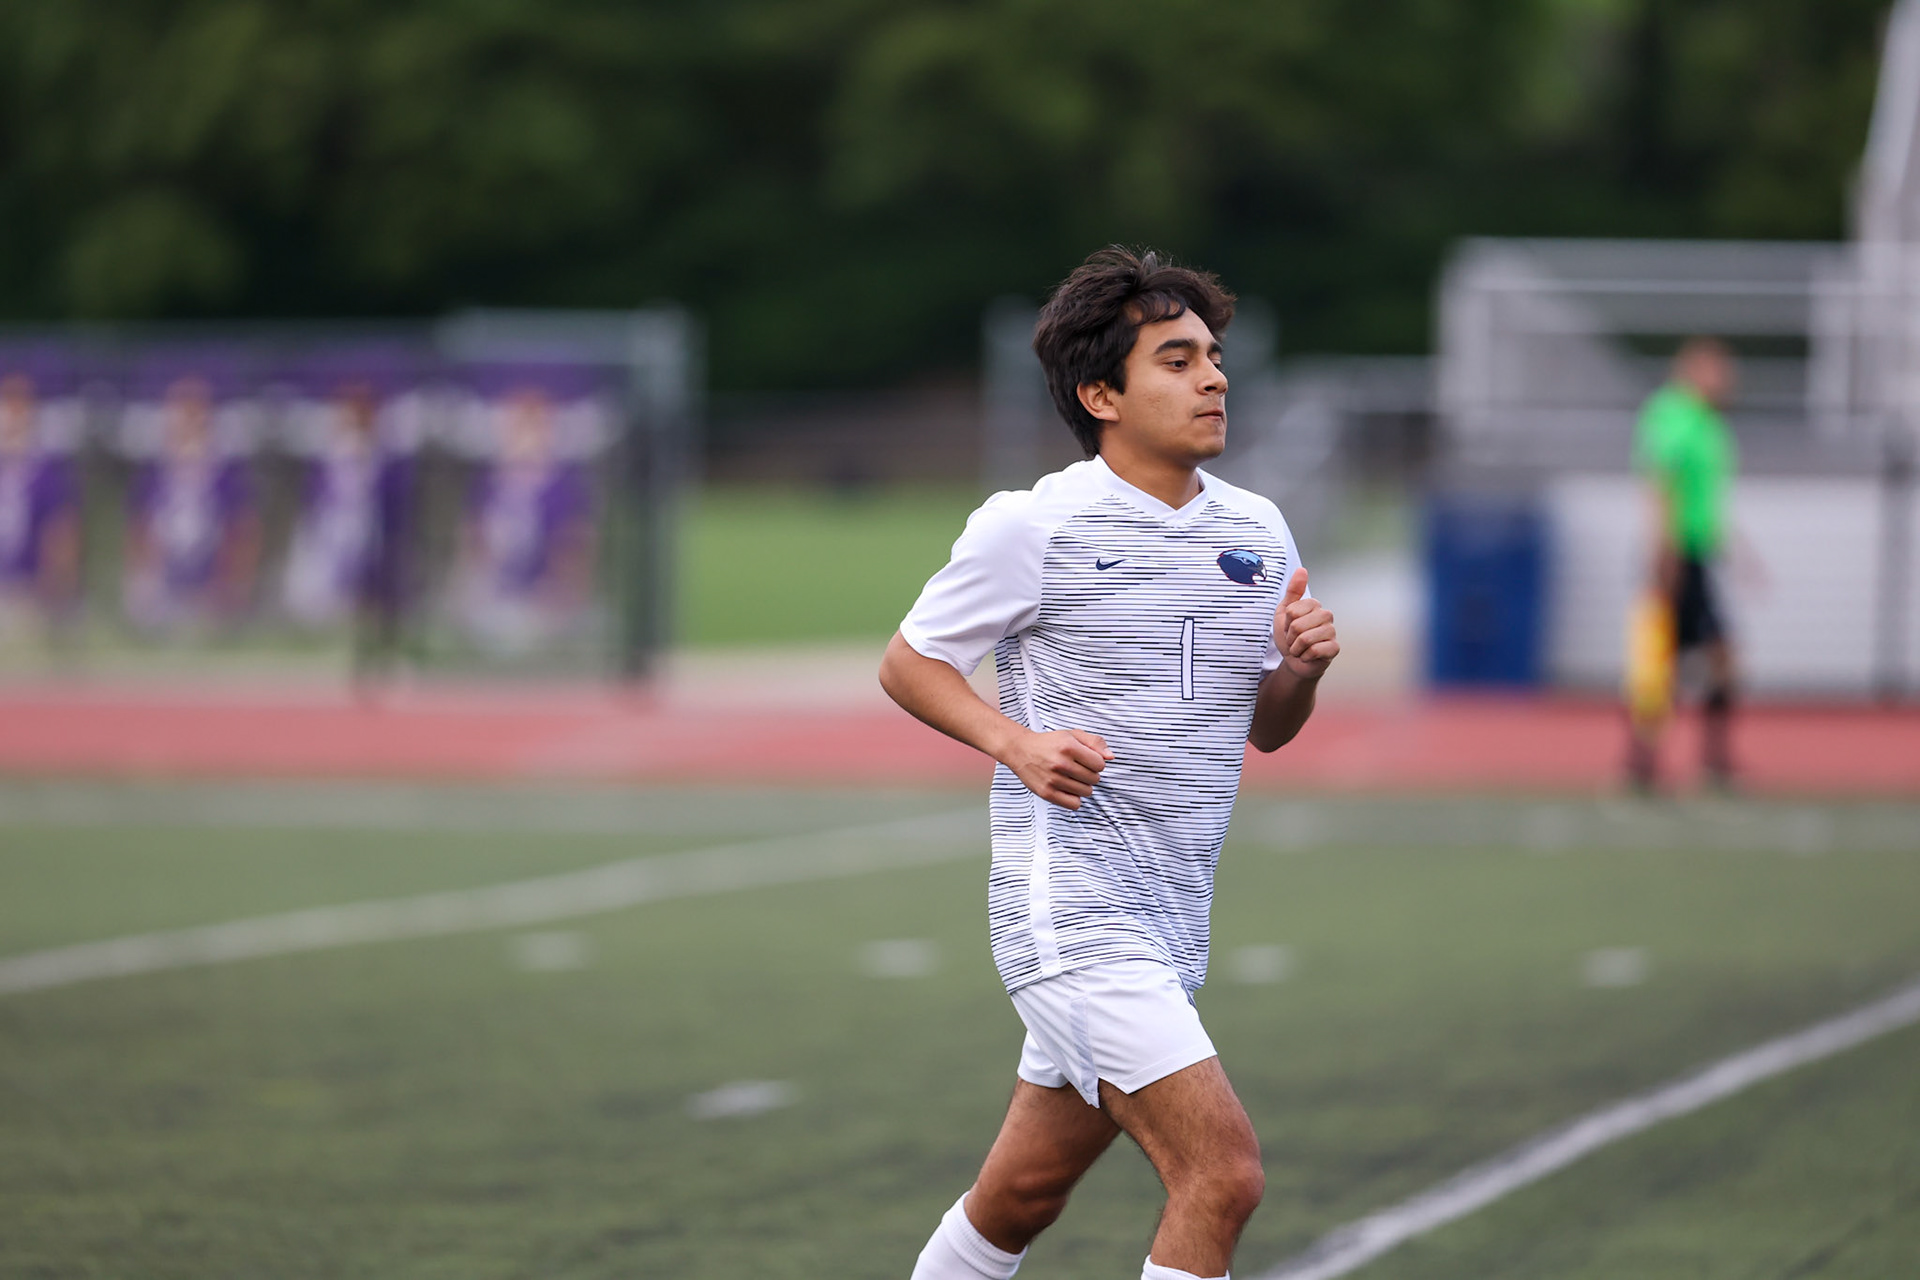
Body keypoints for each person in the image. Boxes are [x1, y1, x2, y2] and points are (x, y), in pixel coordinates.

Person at [880, 247, 1339, 1280]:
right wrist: (1016, 740)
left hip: (1173, 916)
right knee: (1223, 1172)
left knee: (1019, 1196)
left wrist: (1301, 669)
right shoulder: (1031, 523)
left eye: (1214, 355)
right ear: (1102, 393)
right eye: (1177, 359)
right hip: (1073, 919)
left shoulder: (1257, 529)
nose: (1214, 376)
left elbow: (1268, 726)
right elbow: (909, 662)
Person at [1626, 338, 1741, 791]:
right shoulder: (1674, 415)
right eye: (1720, 371)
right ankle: (1646, 762)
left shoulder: (1708, 423)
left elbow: (1705, 496)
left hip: (1697, 552)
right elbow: (1661, 484)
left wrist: (1736, 549)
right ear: (1695, 370)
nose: (1728, 381)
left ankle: (1702, 760)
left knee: (1709, 657)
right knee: (1667, 660)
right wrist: (1664, 552)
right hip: (1677, 556)